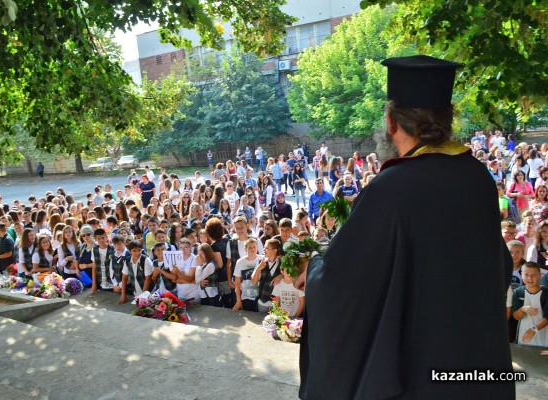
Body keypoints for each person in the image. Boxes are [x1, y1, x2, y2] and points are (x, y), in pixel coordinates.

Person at [300, 55, 514, 399]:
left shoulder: (389, 188)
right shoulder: (478, 177)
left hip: (416, 374)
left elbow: (341, 284)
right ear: (449, 119)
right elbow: (499, 265)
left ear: (391, 122)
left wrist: (313, 268)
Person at [512, 262, 548, 347]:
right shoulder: (518, 292)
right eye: (526, 274)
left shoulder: (546, 293)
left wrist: (533, 330)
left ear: (540, 275)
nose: (530, 278)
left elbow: (547, 319)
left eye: (534, 275)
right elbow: (516, 316)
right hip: (522, 337)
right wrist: (523, 309)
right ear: (521, 275)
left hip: (543, 339)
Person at [233, 237, 264, 312]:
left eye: (254, 247)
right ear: (245, 249)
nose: (253, 249)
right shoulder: (240, 262)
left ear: (257, 247)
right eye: (250, 248)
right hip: (246, 297)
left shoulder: (262, 259)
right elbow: (237, 283)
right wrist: (238, 300)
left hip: (260, 297)